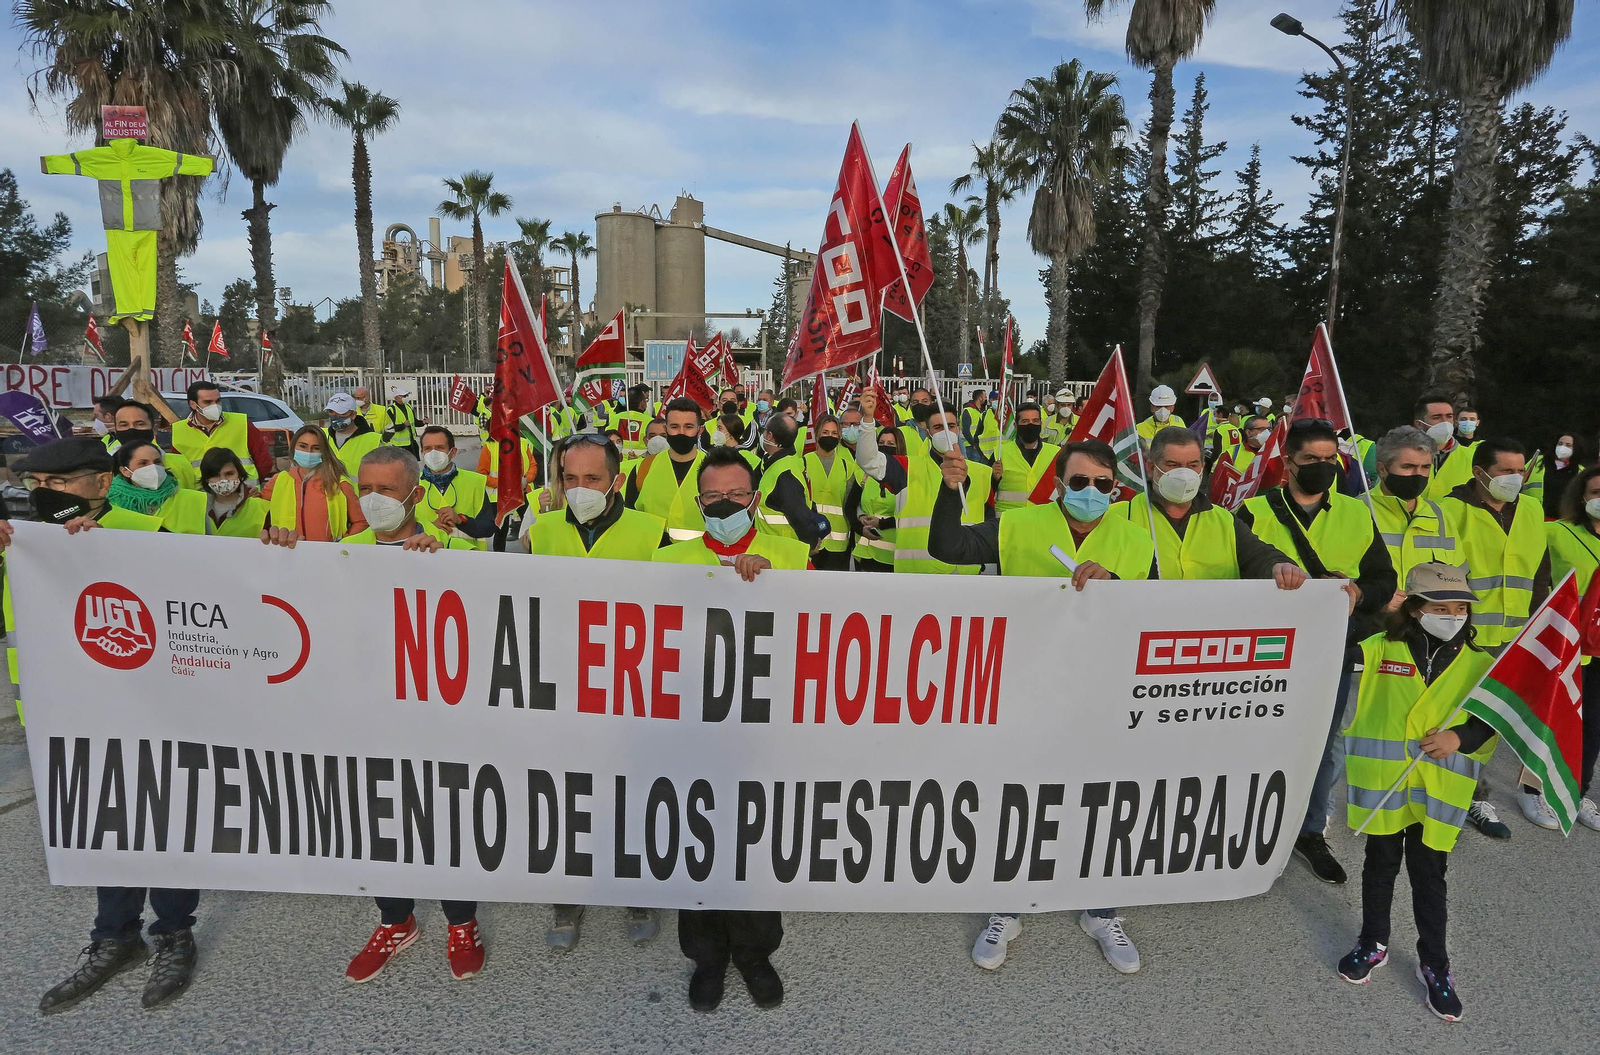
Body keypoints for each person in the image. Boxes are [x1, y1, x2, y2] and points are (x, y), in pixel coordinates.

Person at [928, 439, 1155, 974]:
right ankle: (1008, 906)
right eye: (1079, 482)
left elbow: (1151, 614)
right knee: (1019, 797)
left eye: (1104, 484)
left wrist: (1115, 587)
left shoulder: (1135, 539)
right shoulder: (1017, 525)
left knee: (1101, 798)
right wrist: (948, 490)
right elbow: (947, 546)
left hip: (1101, 690)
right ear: (1058, 485)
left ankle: (1101, 910)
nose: (1092, 493)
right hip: (1025, 684)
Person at [0, 438, 199, 1012]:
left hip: (151, 703)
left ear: (100, 482)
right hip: (62, 705)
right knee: (102, 815)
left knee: (163, 813)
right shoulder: (23, 544)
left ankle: (173, 931)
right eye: (35, 482)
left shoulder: (143, 532)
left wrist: (105, 553)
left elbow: (197, 598)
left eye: (57, 484)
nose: (43, 493)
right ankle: (113, 936)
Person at [654, 446, 806, 1011]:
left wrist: (771, 592)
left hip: (762, 735)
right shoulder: (666, 563)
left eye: (735, 495)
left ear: (755, 499)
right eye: (712, 496)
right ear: (698, 504)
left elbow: (818, 635)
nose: (723, 505)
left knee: (751, 848)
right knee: (695, 846)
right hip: (689, 734)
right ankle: (707, 957)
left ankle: (755, 953)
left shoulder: (790, 557)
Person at [1336, 564, 1501, 1023]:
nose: (1451, 616)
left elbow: (1494, 719)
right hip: (1386, 788)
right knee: (1379, 866)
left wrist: (1460, 739)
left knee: (1430, 878)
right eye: (1439, 607)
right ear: (1414, 608)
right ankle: (1373, 942)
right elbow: (1329, 653)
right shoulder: (1378, 648)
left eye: (1460, 609)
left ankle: (1436, 964)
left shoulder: (1480, 665)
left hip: (1439, 789)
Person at [1239, 418, 1396, 885]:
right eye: (1311, 460)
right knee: (1258, 739)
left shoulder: (1355, 513)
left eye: (1331, 459)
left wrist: (1356, 594)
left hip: (1333, 648)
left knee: (1323, 745)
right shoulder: (1253, 511)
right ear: (1287, 462)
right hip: (1267, 651)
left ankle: (1309, 832)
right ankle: (1247, 830)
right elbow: (1233, 574)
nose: (1323, 467)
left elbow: (1383, 579)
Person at [526, 434, 667, 948]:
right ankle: (568, 898)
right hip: (562, 686)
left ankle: (636, 889)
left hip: (630, 687)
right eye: (570, 478)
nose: (579, 488)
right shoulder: (539, 532)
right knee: (566, 792)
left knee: (630, 789)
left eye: (592, 479)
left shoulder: (652, 534)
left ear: (615, 481)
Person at [1439, 438, 1552, 830]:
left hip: (1512, 638)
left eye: (1520, 470)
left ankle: (1475, 796)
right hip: (1461, 637)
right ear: (1479, 472)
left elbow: (1540, 574)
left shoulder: (1532, 510)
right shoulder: (1450, 511)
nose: (1515, 478)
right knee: (1447, 717)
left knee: (1488, 722)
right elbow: (1441, 574)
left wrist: (1537, 626)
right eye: (1506, 470)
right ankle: (1439, 791)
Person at [853, 391, 993, 574]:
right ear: (928, 433)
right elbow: (868, 461)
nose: (945, 432)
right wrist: (868, 419)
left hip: (966, 574)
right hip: (916, 574)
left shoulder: (983, 473)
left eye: (950, 426)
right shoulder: (907, 467)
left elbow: (989, 523)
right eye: (937, 428)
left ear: (958, 429)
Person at [1546, 466, 1600, 830]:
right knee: (1554, 718)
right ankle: (1538, 791)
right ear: (1582, 496)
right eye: (1595, 491)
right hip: (1567, 642)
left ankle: (1579, 792)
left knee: (1594, 725)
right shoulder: (1558, 533)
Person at [1370, 427, 1458, 590]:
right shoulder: (1358, 510)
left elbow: (1457, 574)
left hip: (1427, 614)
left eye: (1425, 467)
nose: (1418, 474)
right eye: (1407, 467)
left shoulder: (1440, 516)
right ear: (1382, 469)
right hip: (1373, 613)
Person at [261, 425, 366, 543]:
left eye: (316, 448)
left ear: (323, 451)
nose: (308, 452)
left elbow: (361, 522)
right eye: (303, 446)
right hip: (288, 553)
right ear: (293, 446)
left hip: (327, 556)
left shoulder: (339, 483)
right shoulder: (278, 481)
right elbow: (256, 513)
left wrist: (342, 545)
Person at [169, 380, 272, 483]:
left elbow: (263, 460)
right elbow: (177, 469)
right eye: (208, 402)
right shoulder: (179, 430)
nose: (215, 406)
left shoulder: (241, 423)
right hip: (200, 495)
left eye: (218, 401)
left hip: (243, 494)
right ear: (193, 404)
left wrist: (252, 485)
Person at [418, 426, 496, 549]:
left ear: (453, 452)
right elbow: (399, 528)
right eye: (428, 448)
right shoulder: (412, 484)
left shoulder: (475, 482)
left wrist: (461, 521)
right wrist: (430, 526)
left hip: (467, 559)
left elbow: (488, 528)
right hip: (425, 560)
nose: (433, 453)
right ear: (422, 452)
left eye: (440, 448)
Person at [755, 414, 827, 547]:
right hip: (775, 549)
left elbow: (799, 514)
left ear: (770, 436)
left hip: (782, 553)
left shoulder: (783, 472)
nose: (763, 434)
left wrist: (810, 544)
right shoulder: (788, 462)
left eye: (765, 431)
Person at [109, 441, 207, 534]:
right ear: (125, 471)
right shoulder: (111, 502)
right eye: (143, 463)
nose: (153, 467)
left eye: (157, 462)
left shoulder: (195, 498)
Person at [803, 415, 861, 570]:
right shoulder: (803, 463)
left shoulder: (848, 467)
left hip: (838, 544)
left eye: (834, 433)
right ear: (816, 435)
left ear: (840, 436)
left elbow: (851, 505)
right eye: (825, 432)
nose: (830, 436)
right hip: (810, 540)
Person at [845, 425, 902, 572]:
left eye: (891, 444)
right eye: (881, 443)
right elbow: (850, 507)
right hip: (865, 552)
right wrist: (860, 525)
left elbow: (911, 515)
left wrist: (881, 523)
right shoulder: (864, 474)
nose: (885, 447)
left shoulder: (906, 477)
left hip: (893, 555)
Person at [108, 399, 199, 488]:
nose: (132, 429)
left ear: (154, 428)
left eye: (140, 424)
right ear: (115, 429)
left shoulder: (180, 464)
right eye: (124, 425)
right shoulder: (105, 466)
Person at [994, 401, 1062, 513]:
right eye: (1025, 421)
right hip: (1009, 521)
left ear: (1041, 423)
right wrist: (994, 478)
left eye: (1035, 421)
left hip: (1044, 519)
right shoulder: (999, 453)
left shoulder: (1056, 453)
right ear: (1016, 425)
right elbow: (987, 492)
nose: (1030, 425)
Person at [1405, 394, 1473, 502]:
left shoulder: (1471, 458)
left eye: (1449, 416)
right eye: (1436, 417)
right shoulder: (1400, 456)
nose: (1445, 422)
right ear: (1419, 424)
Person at [198, 448, 268, 537]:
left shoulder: (261, 508)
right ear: (207, 479)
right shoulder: (196, 506)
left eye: (229, 474)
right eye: (215, 475)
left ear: (239, 474)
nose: (223, 480)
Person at [324, 392, 383, 482]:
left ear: (353, 415)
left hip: (357, 495)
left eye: (341, 412)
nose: (335, 416)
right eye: (331, 412)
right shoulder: (321, 436)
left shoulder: (375, 441)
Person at [1528, 433, 1580, 518]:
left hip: (1563, 521)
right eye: (1560, 443)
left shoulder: (1580, 471)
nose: (1562, 447)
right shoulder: (1538, 461)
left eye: (1568, 445)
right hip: (1533, 515)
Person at [961, 388, 1001, 461]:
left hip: (982, 449)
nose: (985, 399)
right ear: (980, 398)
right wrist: (974, 444)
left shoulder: (980, 412)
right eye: (985, 397)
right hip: (971, 447)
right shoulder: (969, 411)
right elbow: (966, 431)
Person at [382, 384, 422, 454]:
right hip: (399, 445)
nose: (406, 397)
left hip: (411, 443)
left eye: (406, 396)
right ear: (397, 397)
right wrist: (403, 425)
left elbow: (414, 422)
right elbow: (391, 428)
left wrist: (423, 422)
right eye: (404, 396)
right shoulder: (391, 410)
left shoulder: (408, 406)